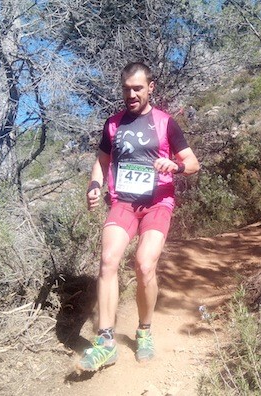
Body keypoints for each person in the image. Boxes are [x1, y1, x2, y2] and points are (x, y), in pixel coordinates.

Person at [78, 62, 200, 371]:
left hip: (158, 202)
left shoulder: (165, 123)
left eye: (137, 88)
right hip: (124, 202)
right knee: (107, 261)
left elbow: (192, 162)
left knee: (145, 264)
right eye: (126, 89)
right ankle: (106, 341)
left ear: (151, 88)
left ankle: (144, 330)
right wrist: (94, 185)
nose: (131, 94)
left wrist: (176, 166)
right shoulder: (113, 124)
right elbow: (101, 162)